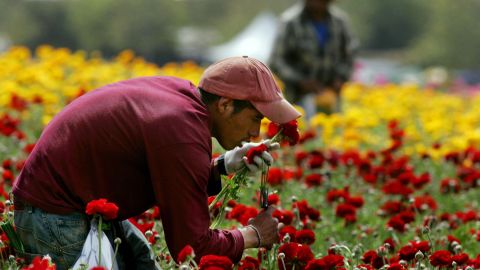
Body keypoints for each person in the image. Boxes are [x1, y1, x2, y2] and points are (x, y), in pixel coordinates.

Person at [12, 56, 301, 270]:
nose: (256, 133)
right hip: (56, 215)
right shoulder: (181, 131)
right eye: (255, 119)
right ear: (225, 105)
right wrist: (253, 235)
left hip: (65, 205)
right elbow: (192, 248)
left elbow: (163, 171)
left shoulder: (183, 99)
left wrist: (223, 165)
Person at [269, 0, 358, 119]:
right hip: (298, 98)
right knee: (304, 134)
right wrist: (300, 80)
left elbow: (350, 54)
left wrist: (340, 77)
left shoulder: (339, 22)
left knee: (333, 132)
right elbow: (277, 61)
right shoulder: (290, 22)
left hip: (331, 96)